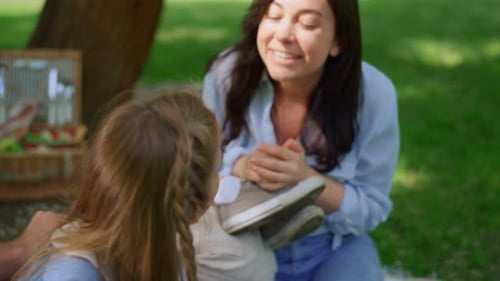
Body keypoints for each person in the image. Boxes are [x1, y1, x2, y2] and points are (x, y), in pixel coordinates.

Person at [201, 0, 400, 280]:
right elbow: (196, 178)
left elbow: (372, 206)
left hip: (333, 247)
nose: (283, 34)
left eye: (307, 23)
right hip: (243, 243)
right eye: (274, 15)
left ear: (338, 41)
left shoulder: (374, 95)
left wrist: (308, 182)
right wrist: (240, 168)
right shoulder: (227, 75)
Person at [12, 91, 222, 281]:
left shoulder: (160, 255)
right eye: (217, 169)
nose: (221, 177)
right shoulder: (72, 274)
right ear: (196, 208)